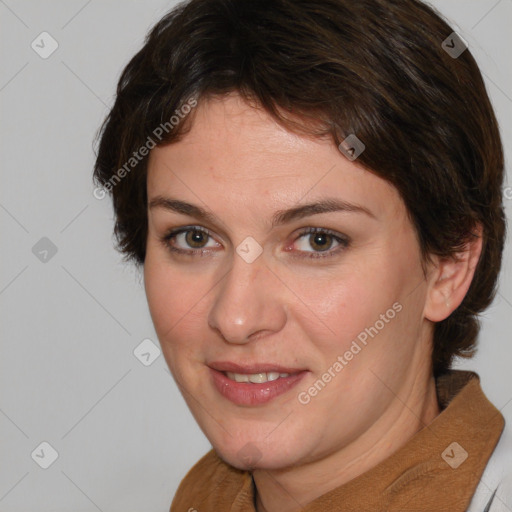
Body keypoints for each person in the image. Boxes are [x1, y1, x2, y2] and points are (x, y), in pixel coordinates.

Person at [93, 0, 512, 510]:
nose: (237, 317)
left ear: (448, 267)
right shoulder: (203, 498)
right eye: (195, 238)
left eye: (318, 240)